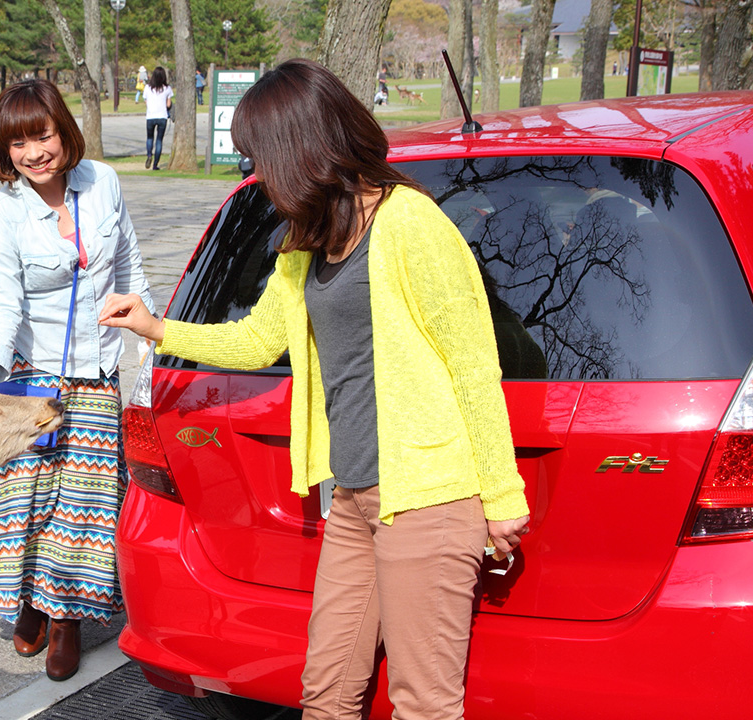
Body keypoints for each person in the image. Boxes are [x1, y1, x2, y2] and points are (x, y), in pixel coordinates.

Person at [99, 59, 530, 720]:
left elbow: (475, 367)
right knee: (326, 693)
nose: (255, 174)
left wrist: (502, 496)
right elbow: (255, 340)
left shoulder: (411, 224)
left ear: (300, 149)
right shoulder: (308, 242)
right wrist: (156, 327)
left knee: (424, 703)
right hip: (353, 496)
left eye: (258, 159)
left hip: (427, 498)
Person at [0, 78, 156, 683]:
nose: (33, 153)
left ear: (63, 131)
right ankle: (28, 597)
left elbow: (127, 262)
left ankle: (67, 617)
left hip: (98, 372)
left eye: (42, 135)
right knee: (26, 496)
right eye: (17, 142)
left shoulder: (104, 182)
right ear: (4, 150)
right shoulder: (3, 214)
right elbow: (3, 302)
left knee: (85, 504)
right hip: (33, 376)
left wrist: (151, 336)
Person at [143, 66, 173, 171]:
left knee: (150, 138)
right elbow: (168, 104)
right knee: (159, 140)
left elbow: (145, 101)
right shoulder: (167, 88)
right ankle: (155, 164)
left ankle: (149, 154)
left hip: (150, 116)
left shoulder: (147, 88)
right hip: (162, 116)